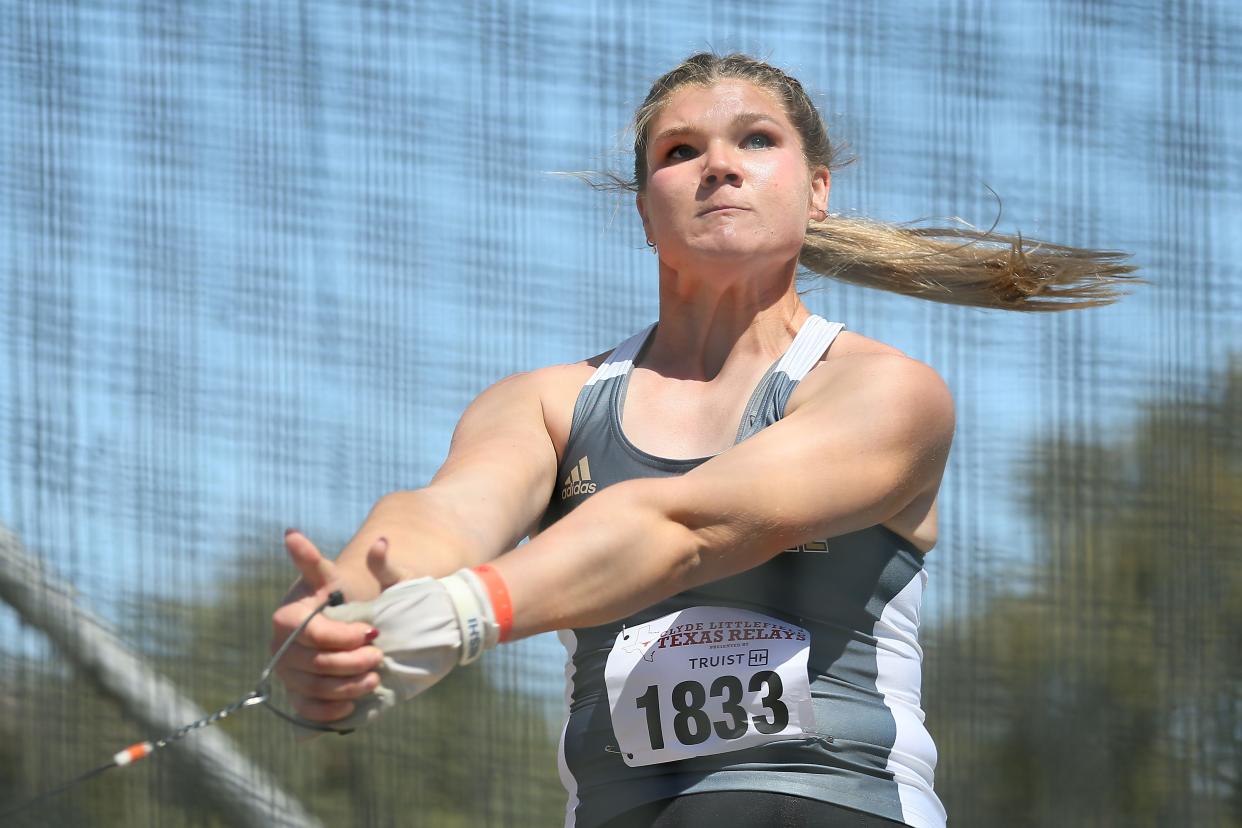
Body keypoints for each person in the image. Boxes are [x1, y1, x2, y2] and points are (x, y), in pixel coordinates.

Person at [270, 53, 1136, 828]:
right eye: (679, 152)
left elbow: (685, 528)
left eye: (755, 140)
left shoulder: (883, 390)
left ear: (817, 188)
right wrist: (348, 619)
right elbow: (436, 521)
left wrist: (464, 612)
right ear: (646, 211)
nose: (718, 164)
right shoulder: (548, 403)